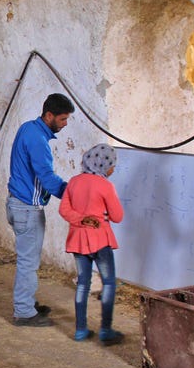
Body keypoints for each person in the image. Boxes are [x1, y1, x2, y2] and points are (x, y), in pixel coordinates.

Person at [7, 92, 75, 327]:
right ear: (49, 115)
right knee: (28, 262)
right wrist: (74, 193)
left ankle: (26, 301)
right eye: (63, 119)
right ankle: (24, 312)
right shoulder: (37, 139)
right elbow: (47, 177)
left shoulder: (28, 128)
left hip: (17, 203)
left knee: (28, 259)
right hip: (27, 208)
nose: (65, 125)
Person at [59, 143, 124, 345]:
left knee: (83, 284)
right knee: (109, 283)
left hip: (78, 239)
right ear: (103, 164)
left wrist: (81, 219)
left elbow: (64, 210)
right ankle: (105, 330)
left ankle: (80, 330)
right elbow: (118, 216)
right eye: (112, 164)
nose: (113, 169)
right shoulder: (105, 185)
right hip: (100, 240)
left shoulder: (74, 182)